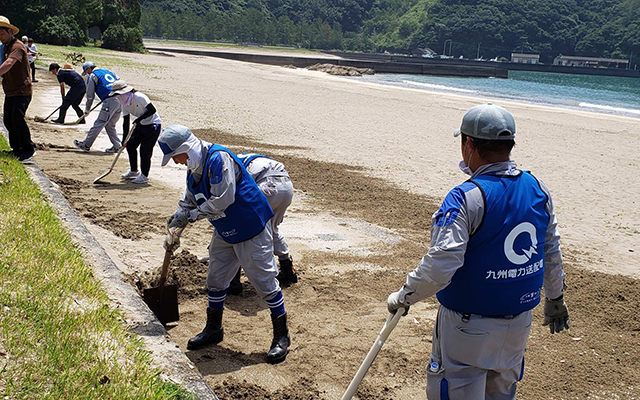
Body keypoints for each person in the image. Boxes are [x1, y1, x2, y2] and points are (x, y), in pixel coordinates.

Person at [386, 103, 570, 400]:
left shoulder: (466, 197)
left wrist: (404, 296)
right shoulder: (538, 188)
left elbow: (441, 264)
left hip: (467, 327)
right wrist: (555, 297)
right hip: (518, 324)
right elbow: (551, 250)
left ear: (468, 144)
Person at [158, 125, 291, 364]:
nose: (177, 162)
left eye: (175, 157)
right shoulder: (193, 169)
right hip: (225, 230)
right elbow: (189, 198)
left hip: (251, 227)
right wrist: (178, 218)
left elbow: (224, 199)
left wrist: (192, 215)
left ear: (185, 149)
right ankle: (213, 329)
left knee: (265, 282)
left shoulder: (219, 159)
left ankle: (281, 336)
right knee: (216, 280)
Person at [227, 153, 297, 295]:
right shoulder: (250, 158)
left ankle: (232, 282)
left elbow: (232, 193)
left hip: (266, 187)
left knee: (241, 231)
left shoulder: (229, 165)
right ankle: (287, 268)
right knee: (272, 227)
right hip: (287, 187)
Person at [108, 80, 161, 184]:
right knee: (130, 145)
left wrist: (139, 119)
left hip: (152, 125)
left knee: (145, 151)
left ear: (125, 92)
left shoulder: (139, 97)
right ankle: (134, 171)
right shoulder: (124, 103)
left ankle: (144, 176)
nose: (117, 97)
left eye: (118, 94)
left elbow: (152, 110)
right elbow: (126, 122)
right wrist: (124, 140)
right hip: (140, 125)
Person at [0, 16, 35, 162]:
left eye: (1, 34)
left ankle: (28, 149)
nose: (0, 38)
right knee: (8, 120)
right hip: (10, 90)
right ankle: (16, 149)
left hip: (22, 90)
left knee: (17, 119)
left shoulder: (17, 46)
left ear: (9, 31)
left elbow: (9, 63)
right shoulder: (6, 46)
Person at [73, 61, 122, 153]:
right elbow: (120, 83)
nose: (87, 74)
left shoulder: (93, 76)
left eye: (86, 72)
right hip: (120, 99)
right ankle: (117, 146)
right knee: (110, 125)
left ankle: (86, 144)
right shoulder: (109, 72)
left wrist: (87, 110)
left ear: (89, 69)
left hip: (110, 100)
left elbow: (90, 95)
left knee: (99, 123)